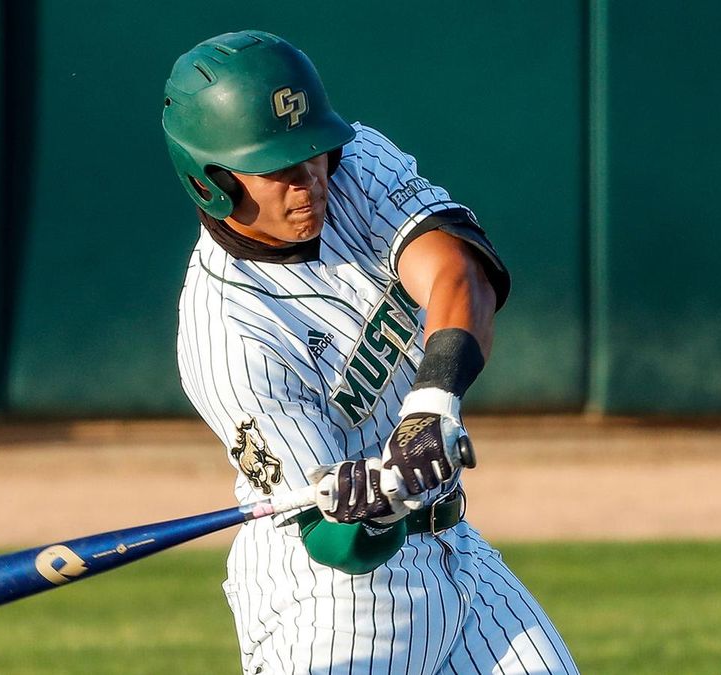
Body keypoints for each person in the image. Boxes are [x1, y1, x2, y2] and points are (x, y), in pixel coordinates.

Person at [163, 30, 577, 674]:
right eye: (277, 168)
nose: (309, 180)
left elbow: (459, 276)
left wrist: (430, 406)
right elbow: (334, 543)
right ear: (212, 182)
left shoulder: (354, 165)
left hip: (460, 558)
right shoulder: (228, 333)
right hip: (337, 606)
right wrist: (376, 508)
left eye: (313, 153)